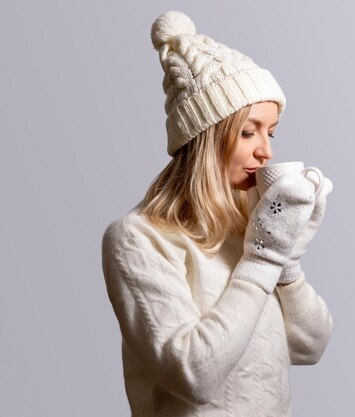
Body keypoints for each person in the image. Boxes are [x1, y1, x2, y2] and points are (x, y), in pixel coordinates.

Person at [101, 10, 334, 417]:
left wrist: (287, 260)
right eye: (249, 131)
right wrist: (262, 256)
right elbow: (193, 375)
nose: (267, 151)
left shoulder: (249, 226)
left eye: (271, 131)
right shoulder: (137, 239)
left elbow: (309, 346)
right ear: (206, 138)